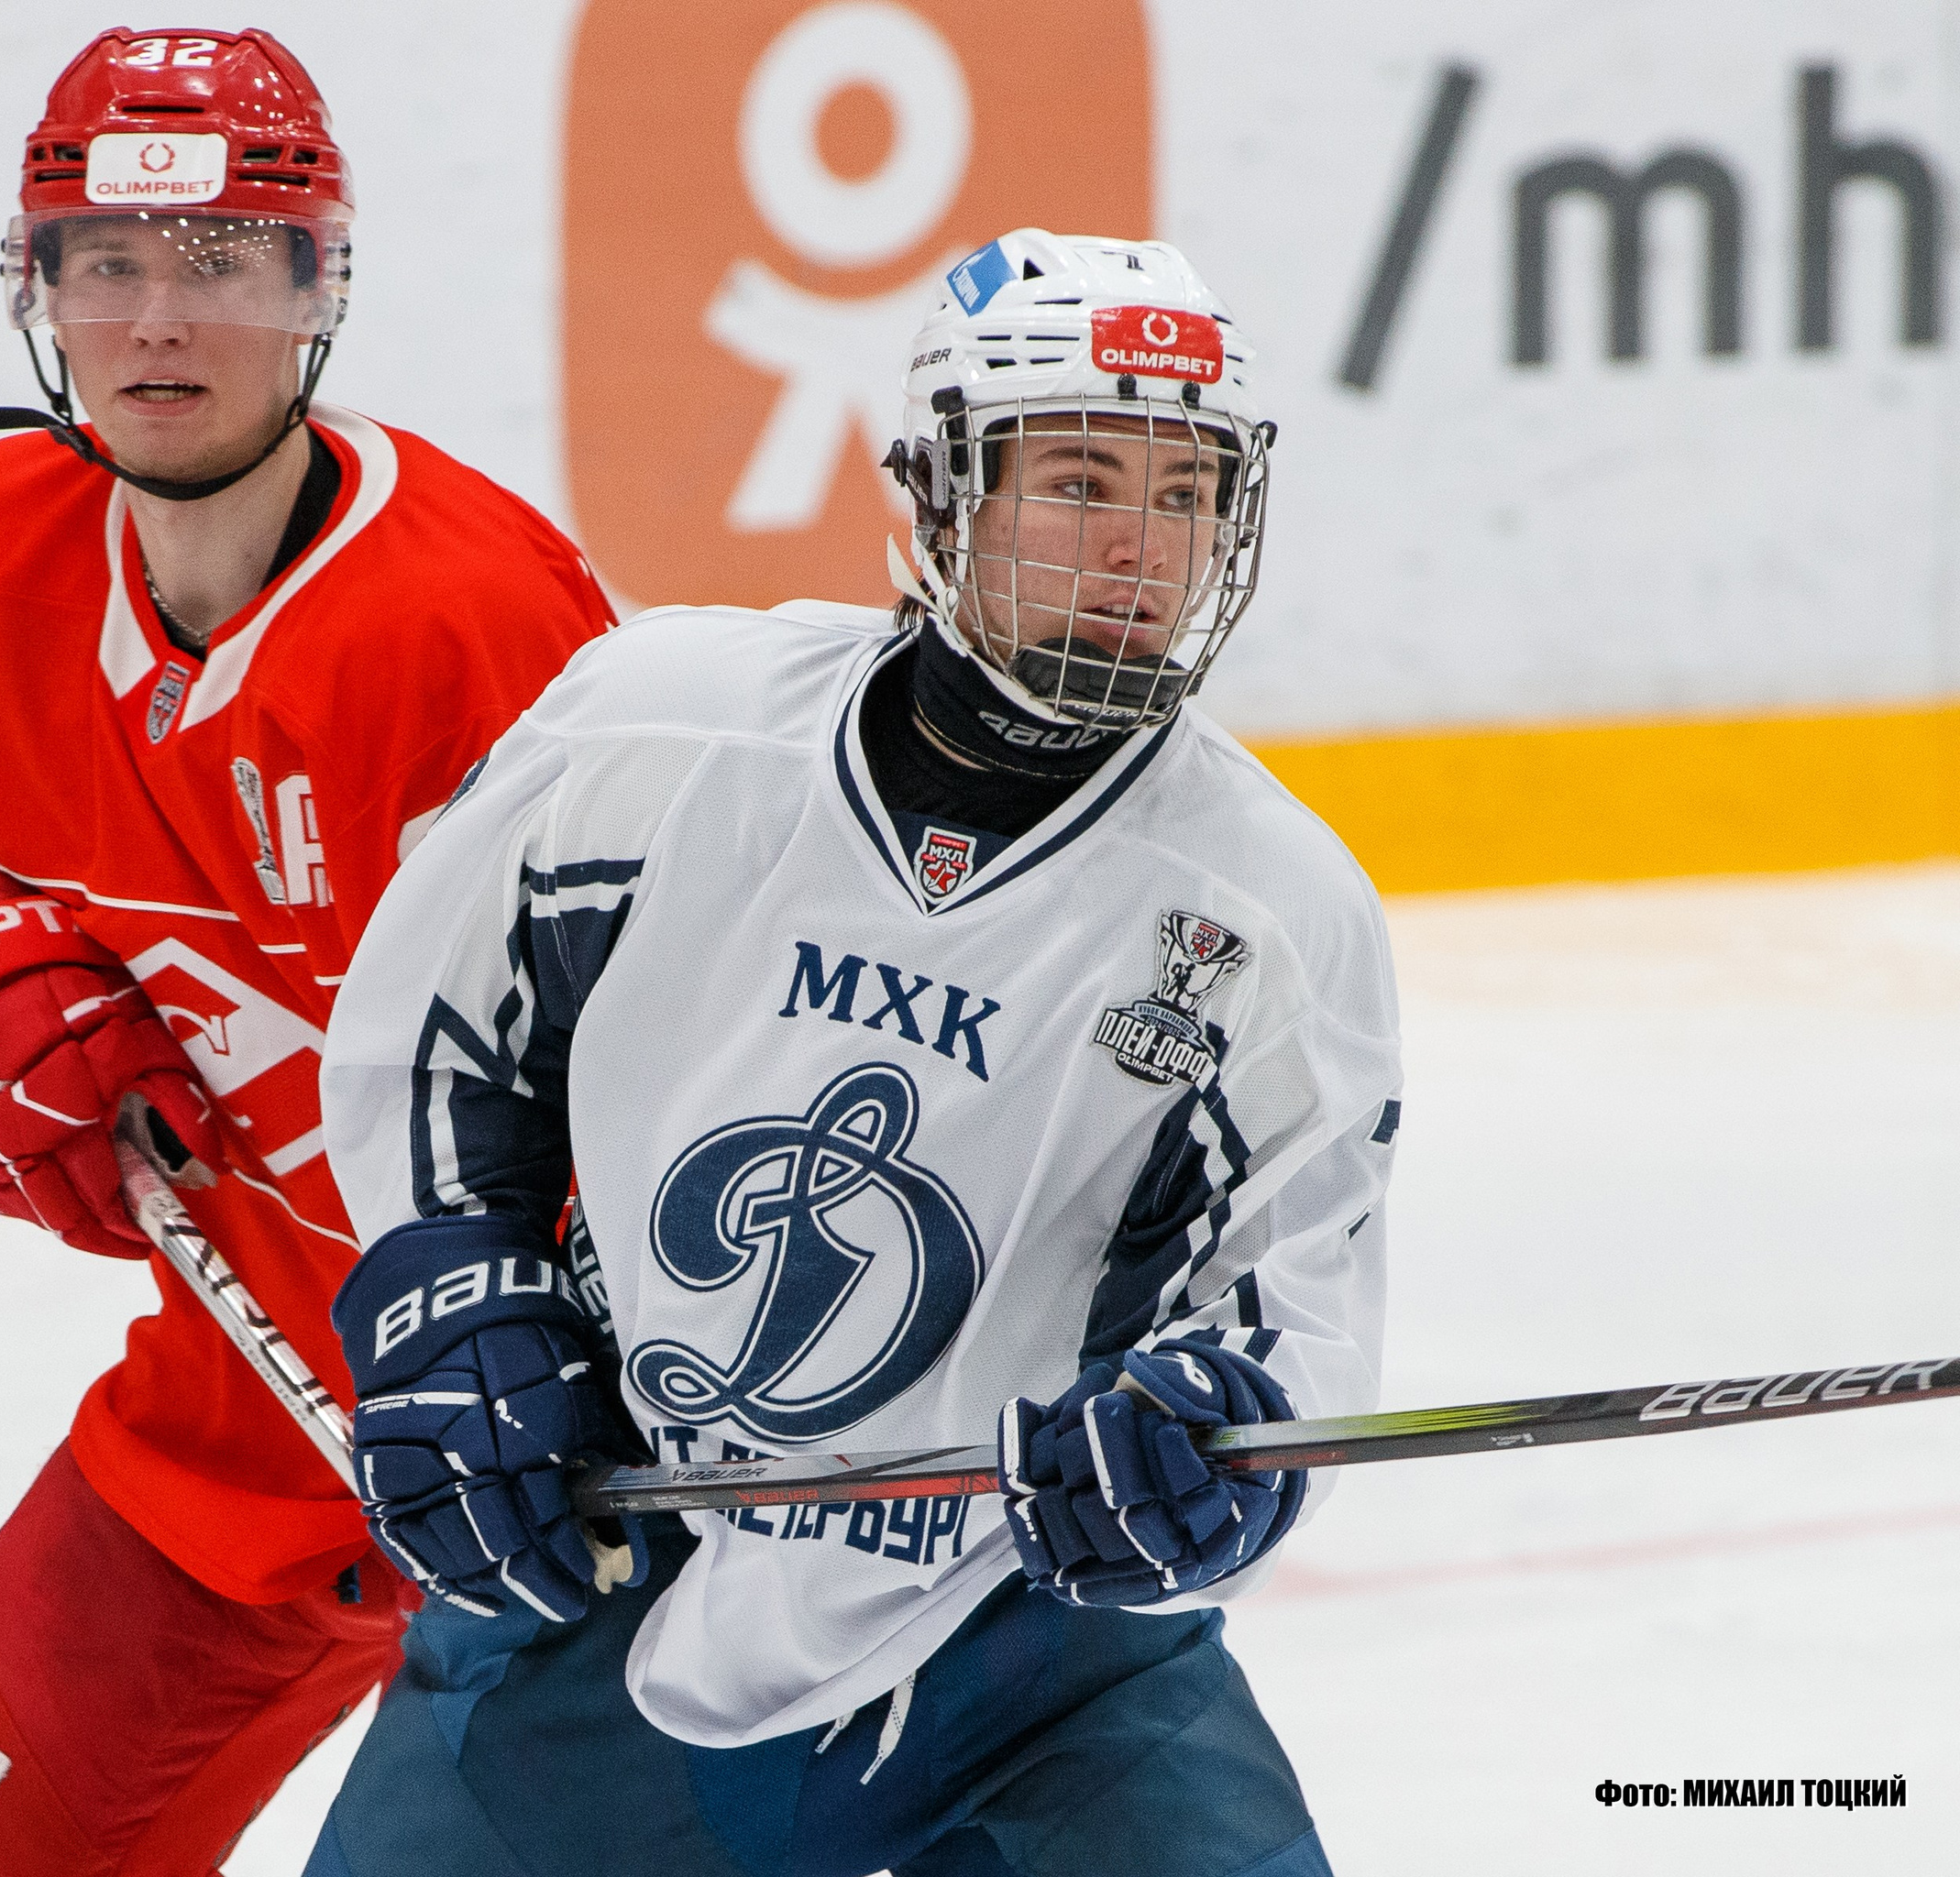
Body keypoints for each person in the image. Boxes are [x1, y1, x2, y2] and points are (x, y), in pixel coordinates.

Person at [305, 228, 1403, 1877]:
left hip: (1031, 1653)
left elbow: (1288, 1292)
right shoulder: (660, 732)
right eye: (1082, 483)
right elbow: (448, 1048)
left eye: (1186, 498)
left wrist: (1208, 1441)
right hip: (606, 1571)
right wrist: (459, 1302)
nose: (1140, 555)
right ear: (940, 494)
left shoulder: (1265, 907)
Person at [0, 28, 613, 1877]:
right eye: (104, 264)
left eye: (215, 265)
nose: (156, 322)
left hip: (572, 1459)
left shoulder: (480, 626)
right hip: (239, 1423)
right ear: (37, 294)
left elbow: (662, 1053)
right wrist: (5, 981)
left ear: (313, 291)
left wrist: (549, 1355)